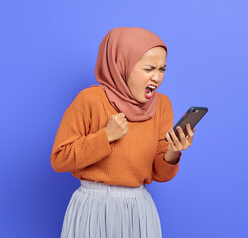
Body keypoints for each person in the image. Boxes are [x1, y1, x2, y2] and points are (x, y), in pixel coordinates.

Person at [51, 27, 195, 238]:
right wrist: (105, 137)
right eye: (149, 69)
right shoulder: (89, 100)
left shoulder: (162, 105)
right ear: (122, 66)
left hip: (138, 211)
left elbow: (160, 174)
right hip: (93, 208)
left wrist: (173, 152)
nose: (157, 77)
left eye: (162, 69)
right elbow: (59, 159)